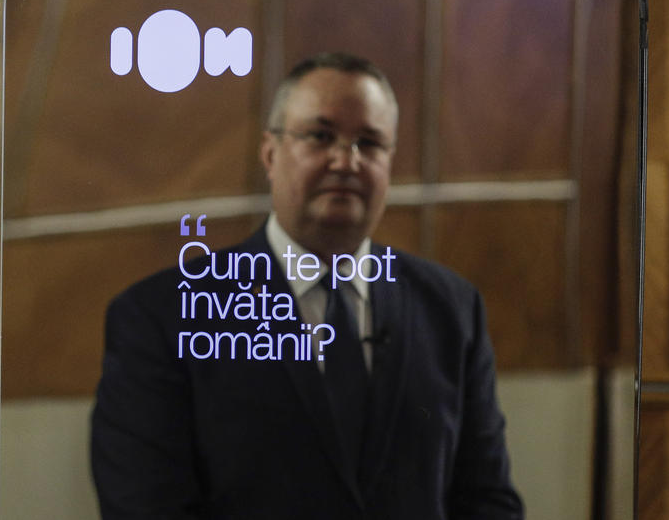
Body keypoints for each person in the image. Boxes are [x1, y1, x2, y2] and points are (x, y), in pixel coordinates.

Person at [91, 52, 524, 519]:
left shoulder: (450, 309)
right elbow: (145, 506)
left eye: (369, 143)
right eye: (320, 136)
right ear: (270, 154)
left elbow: (487, 500)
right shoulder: (164, 317)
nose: (346, 160)